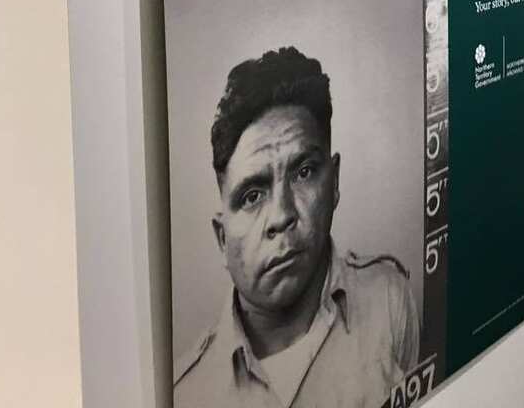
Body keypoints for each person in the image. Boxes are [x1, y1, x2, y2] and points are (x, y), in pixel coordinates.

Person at [175, 47, 420, 407]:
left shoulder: (388, 300)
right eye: (252, 196)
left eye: (304, 172)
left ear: (334, 182)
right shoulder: (186, 393)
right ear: (221, 237)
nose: (281, 216)